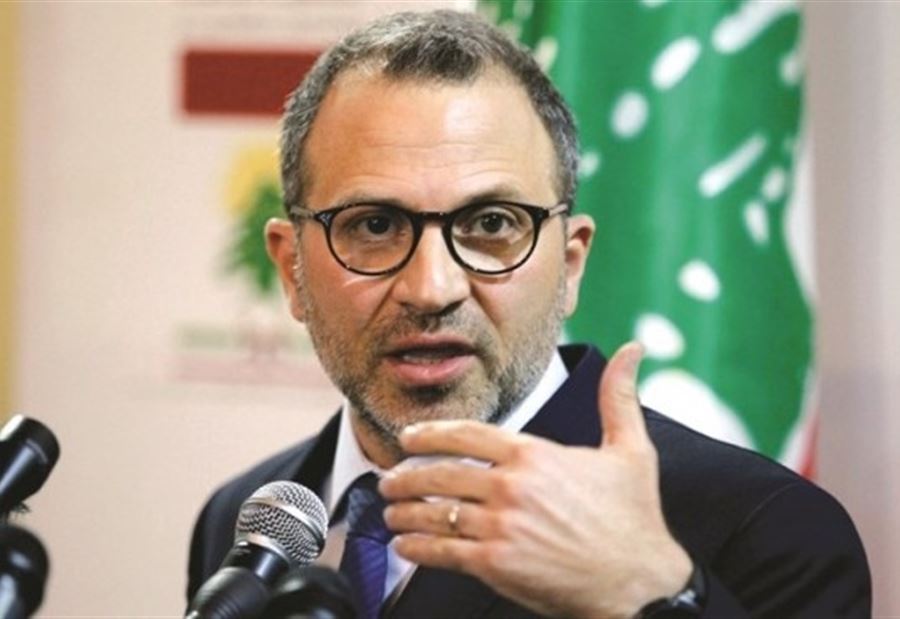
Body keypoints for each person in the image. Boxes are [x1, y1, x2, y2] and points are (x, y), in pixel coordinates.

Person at [187, 10, 870, 618]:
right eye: (374, 225)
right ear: (292, 270)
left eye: (491, 223)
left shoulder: (765, 531)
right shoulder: (247, 520)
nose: (432, 288)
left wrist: (655, 597)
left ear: (570, 265)